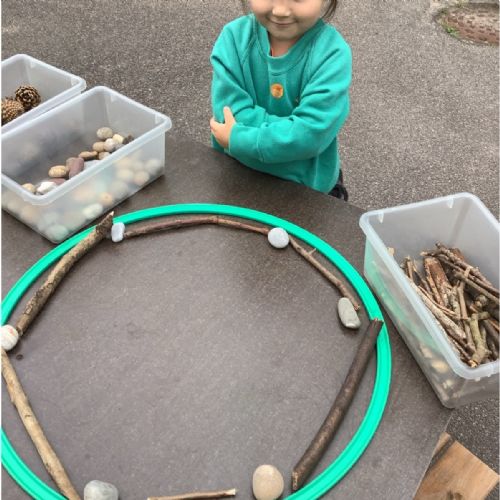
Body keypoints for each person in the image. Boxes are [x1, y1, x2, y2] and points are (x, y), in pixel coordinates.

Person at [210, 0, 351, 200]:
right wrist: (290, 133)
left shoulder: (332, 55)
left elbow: (310, 134)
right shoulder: (233, 39)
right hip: (238, 176)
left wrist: (240, 138)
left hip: (308, 192)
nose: (280, 11)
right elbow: (228, 114)